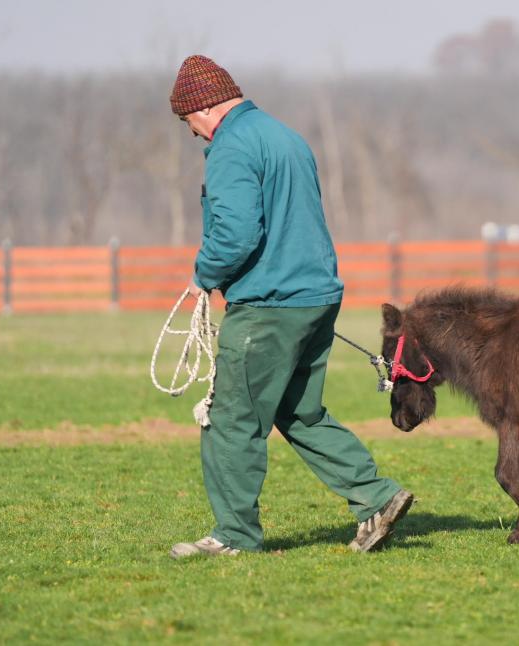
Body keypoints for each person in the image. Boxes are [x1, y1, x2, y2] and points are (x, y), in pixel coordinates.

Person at [167, 55, 413, 558]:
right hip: (316, 297)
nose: (192, 133)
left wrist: (202, 278)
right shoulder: (284, 136)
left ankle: (233, 537)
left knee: (231, 418)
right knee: (299, 411)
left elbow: (236, 233)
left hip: (268, 303)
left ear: (206, 107)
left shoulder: (231, 147)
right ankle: (376, 497)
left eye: (188, 121)